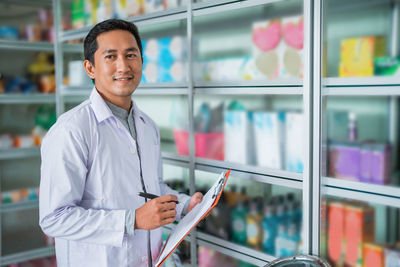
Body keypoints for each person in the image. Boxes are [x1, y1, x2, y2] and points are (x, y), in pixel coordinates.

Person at [39, 19, 203, 267]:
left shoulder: (147, 126)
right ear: (90, 68)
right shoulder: (71, 130)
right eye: (110, 56)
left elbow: (151, 186)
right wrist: (131, 220)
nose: (123, 66)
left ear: (141, 61)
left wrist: (183, 205)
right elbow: (54, 218)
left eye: (130, 55)